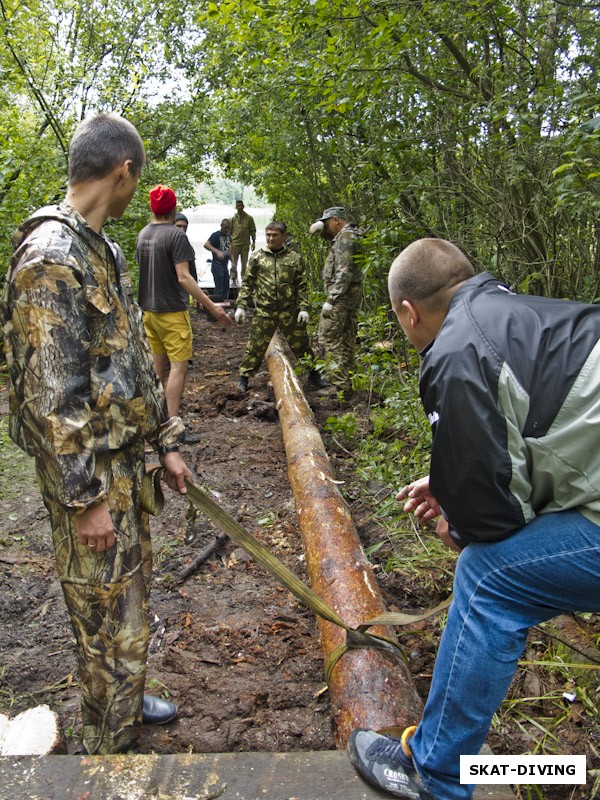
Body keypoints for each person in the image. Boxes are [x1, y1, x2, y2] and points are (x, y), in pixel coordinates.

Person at [347, 238, 600, 800]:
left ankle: (434, 772)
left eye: (400, 323)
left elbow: (492, 513)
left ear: (409, 311)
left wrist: (460, 523)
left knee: (489, 577)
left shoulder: (458, 348)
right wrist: (453, 481)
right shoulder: (529, 316)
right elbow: (546, 435)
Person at [1, 113, 197, 755]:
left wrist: (166, 441)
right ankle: (110, 749)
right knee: (102, 608)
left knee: (129, 593)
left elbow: (134, 355)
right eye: (134, 181)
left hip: (127, 463)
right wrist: (82, 499)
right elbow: (50, 396)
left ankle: (128, 694)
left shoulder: (104, 249)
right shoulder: (50, 259)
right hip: (89, 475)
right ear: (123, 172)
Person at [136, 185, 232, 440]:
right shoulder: (176, 236)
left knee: (157, 366)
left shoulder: (143, 233)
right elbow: (183, 277)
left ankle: (154, 423)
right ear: (173, 208)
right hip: (172, 312)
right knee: (178, 368)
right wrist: (211, 305)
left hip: (148, 311)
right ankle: (173, 430)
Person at [234, 221, 327, 393]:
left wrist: (304, 308)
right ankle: (243, 379)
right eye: (268, 234)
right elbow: (247, 283)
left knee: (302, 345)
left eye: (275, 235)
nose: (270, 238)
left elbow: (302, 285)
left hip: (289, 311)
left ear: (283, 236)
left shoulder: (294, 258)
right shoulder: (257, 257)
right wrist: (241, 305)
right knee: (255, 346)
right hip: (264, 311)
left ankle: (315, 375)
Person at [309, 206, 363, 394]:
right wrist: (319, 228)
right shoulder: (352, 234)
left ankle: (339, 385)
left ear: (336, 220)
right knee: (346, 336)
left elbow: (344, 271)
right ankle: (347, 382)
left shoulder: (345, 238)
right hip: (351, 293)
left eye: (327, 223)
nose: (326, 227)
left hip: (342, 295)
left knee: (328, 336)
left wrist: (331, 299)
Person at [204, 218, 231, 301]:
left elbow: (231, 251)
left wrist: (233, 265)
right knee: (219, 288)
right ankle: (210, 301)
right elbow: (206, 245)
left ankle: (222, 303)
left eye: (228, 228)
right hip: (217, 264)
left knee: (225, 286)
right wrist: (217, 252)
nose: (227, 230)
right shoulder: (216, 235)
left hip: (225, 265)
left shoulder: (229, 236)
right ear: (221, 226)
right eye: (225, 227)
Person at [229, 199, 256, 284]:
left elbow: (252, 230)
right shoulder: (232, 219)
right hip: (235, 244)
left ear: (243, 206)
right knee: (234, 263)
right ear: (236, 207)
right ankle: (233, 278)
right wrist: (229, 244)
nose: (240, 207)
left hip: (245, 244)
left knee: (244, 264)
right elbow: (229, 232)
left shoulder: (249, 218)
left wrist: (254, 242)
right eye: (238, 206)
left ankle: (244, 280)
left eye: (241, 206)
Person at [173, 212, 198, 283]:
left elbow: (192, 270)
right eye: (179, 226)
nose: (182, 229)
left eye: (185, 227)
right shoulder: (166, 244)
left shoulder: (187, 246)